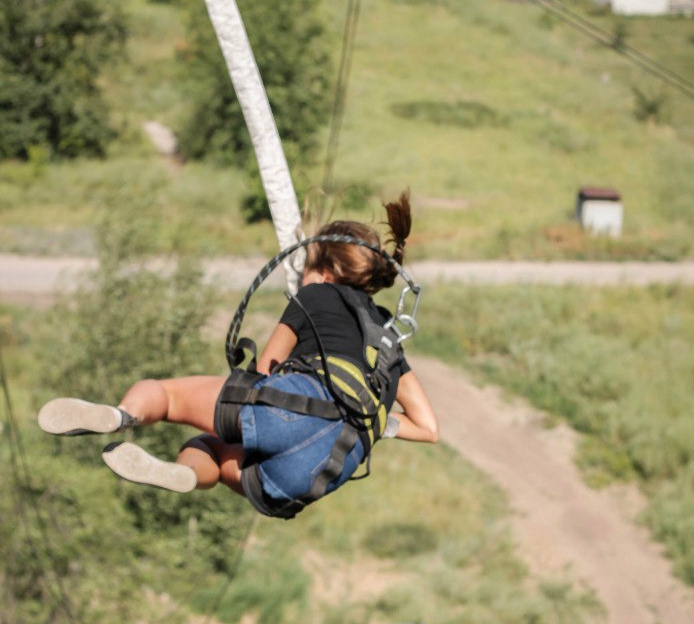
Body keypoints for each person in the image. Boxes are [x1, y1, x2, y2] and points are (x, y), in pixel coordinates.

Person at [38, 192, 439, 519]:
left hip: (294, 407)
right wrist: (380, 421)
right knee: (212, 448)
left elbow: (266, 368)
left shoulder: (316, 294)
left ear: (326, 269)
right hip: (318, 472)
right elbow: (428, 428)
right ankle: (182, 473)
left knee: (169, 395)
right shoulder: (390, 340)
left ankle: (121, 415)